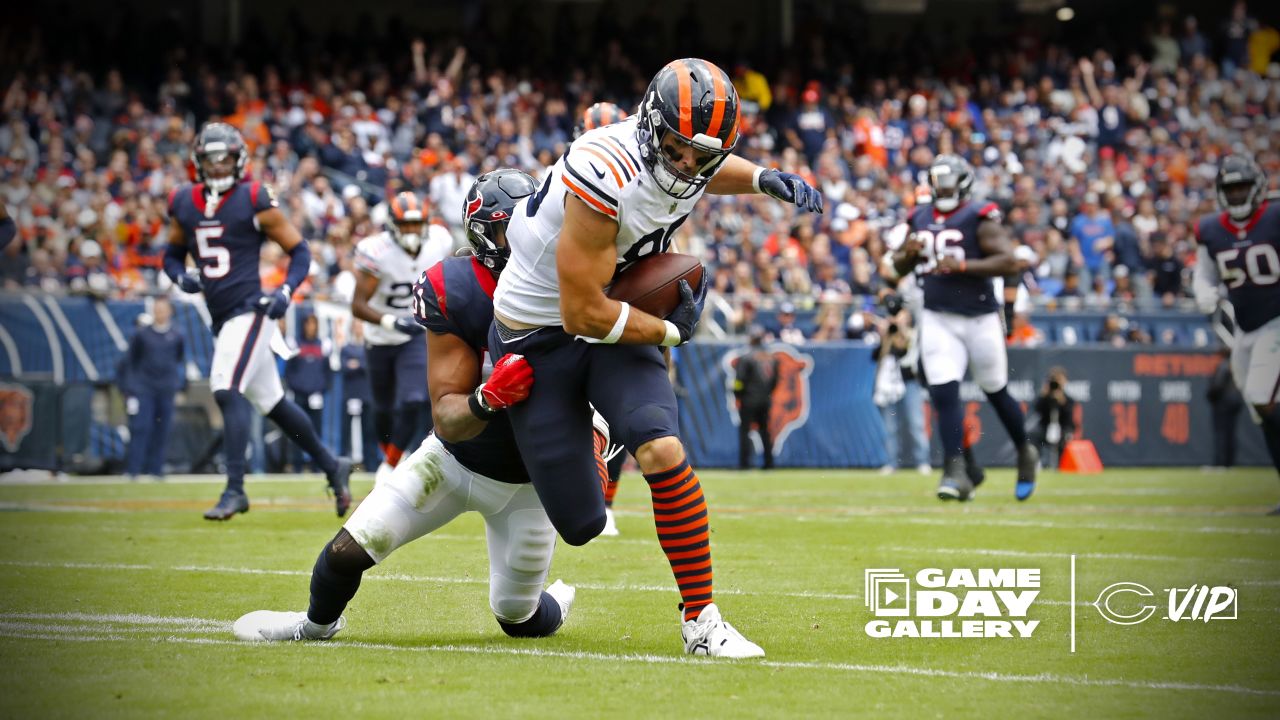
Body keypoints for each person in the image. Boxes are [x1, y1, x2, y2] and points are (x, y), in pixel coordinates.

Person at [489, 58, 822, 658]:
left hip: (607, 313)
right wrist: (670, 332)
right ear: (649, 127)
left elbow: (699, 167)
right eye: (677, 148)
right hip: (541, 334)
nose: (688, 165)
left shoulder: (685, 155)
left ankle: (701, 620)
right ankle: (591, 427)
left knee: (662, 448)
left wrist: (762, 178)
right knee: (581, 524)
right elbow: (580, 316)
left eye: (704, 154)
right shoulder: (603, 171)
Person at [232, 169, 579, 643]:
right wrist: (487, 397)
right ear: (483, 235)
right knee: (344, 554)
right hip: (454, 462)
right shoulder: (454, 287)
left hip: (527, 484)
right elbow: (448, 419)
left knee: (518, 618)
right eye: (509, 227)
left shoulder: (570, 279)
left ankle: (557, 598)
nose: (524, 238)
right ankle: (314, 626)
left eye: (530, 225)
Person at [163, 122, 351, 520]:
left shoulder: (252, 197)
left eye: (224, 159)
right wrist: (180, 276)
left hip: (251, 310)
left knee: (226, 388)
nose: (217, 168)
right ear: (198, 163)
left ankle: (235, 488)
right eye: (210, 161)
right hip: (223, 316)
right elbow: (171, 254)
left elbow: (300, 251)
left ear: (239, 160)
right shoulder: (183, 200)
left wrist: (285, 291)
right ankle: (333, 466)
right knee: (272, 402)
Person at [889, 154, 1039, 502]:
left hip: (980, 317)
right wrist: (909, 255)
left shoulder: (979, 215)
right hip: (938, 315)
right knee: (944, 393)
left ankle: (1024, 450)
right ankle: (955, 470)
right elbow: (898, 267)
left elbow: (1009, 260)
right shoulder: (920, 216)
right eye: (938, 182)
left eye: (948, 182)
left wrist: (964, 264)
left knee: (995, 389)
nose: (942, 188)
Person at [1192, 154, 1280, 513]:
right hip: (1246, 327)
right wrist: (1203, 290)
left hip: (1277, 319)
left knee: (1262, 396)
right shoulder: (1211, 228)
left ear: (1257, 187)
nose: (1238, 194)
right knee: (1261, 411)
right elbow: (1205, 272)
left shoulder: (1275, 216)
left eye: (1243, 187)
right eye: (1232, 188)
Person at [350, 191, 451, 481]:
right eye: (405, 225)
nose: (411, 231)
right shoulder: (375, 250)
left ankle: (391, 465)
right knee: (381, 408)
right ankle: (390, 454)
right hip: (380, 336)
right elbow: (357, 305)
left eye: (416, 224)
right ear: (392, 225)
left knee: (414, 399)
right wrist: (390, 321)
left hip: (415, 334)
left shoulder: (439, 240)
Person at [120, 297, 185, 480]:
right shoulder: (142, 334)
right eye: (157, 309)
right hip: (145, 388)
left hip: (166, 388)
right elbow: (131, 361)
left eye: (163, 309)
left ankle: (156, 470)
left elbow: (179, 359)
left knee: (163, 429)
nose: (160, 312)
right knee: (141, 427)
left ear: (170, 311)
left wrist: (179, 386)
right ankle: (133, 470)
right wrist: (131, 388)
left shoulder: (177, 334)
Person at [283, 314, 332, 472]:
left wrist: (319, 389)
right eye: (308, 324)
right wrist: (298, 387)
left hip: (316, 397)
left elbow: (327, 373)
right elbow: (289, 372)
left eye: (313, 324)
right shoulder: (296, 344)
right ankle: (297, 465)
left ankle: (316, 466)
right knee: (297, 431)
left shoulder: (322, 345)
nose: (311, 327)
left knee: (315, 433)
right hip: (299, 396)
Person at [734, 327, 778, 470]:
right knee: (765, 432)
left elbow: (739, 380)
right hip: (765, 400)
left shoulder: (746, 357)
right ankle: (769, 463)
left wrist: (738, 394)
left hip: (748, 400)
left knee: (745, 431)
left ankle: (745, 464)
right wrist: (767, 393)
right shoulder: (771, 357)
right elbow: (775, 381)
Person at [1030, 367, 1076, 469]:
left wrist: (1062, 402)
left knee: (1065, 438)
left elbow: (1068, 418)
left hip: (1062, 429)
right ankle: (1036, 463)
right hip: (1046, 428)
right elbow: (1037, 409)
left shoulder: (1068, 399)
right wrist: (1044, 396)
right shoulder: (1045, 397)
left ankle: (1060, 465)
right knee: (1032, 436)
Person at [1206, 347, 1244, 469]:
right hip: (1235, 402)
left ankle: (1220, 462)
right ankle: (1229, 462)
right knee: (1230, 433)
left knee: (1221, 433)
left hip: (1223, 403)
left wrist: (1210, 396)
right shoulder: (1235, 365)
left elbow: (1218, 385)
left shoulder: (1223, 366)